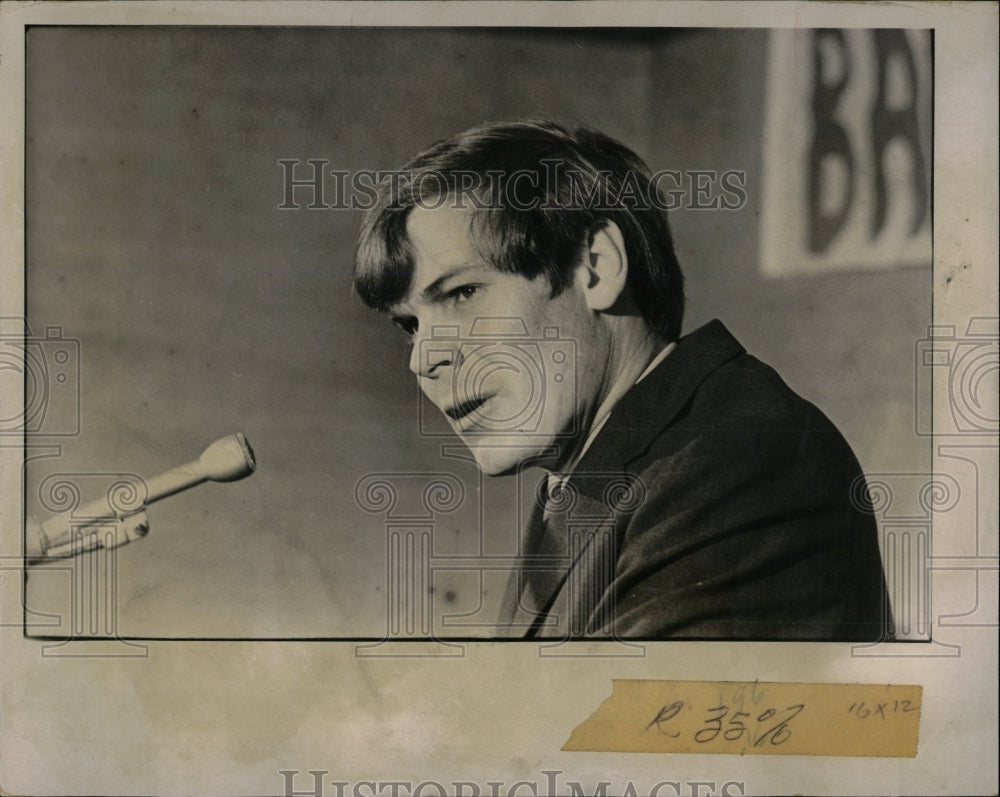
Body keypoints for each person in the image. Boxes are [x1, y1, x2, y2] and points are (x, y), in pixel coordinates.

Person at [353, 120, 892, 641]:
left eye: (464, 294)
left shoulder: (744, 457)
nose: (422, 359)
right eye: (410, 325)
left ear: (596, 264)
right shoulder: (591, 478)